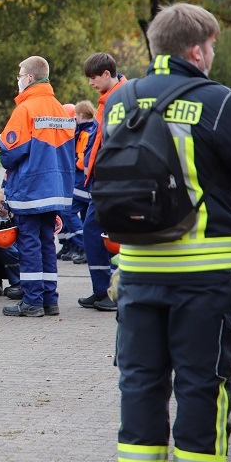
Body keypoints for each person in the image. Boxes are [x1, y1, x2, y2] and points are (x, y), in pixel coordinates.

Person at [107, 3, 231, 462]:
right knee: (203, 385)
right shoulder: (216, 99)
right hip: (204, 272)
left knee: (139, 382)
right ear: (197, 51)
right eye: (214, 46)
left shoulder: (121, 101)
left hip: (138, 271)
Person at [0, 55, 75, 317]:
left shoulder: (26, 109)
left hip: (31, 188)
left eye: (20, 74)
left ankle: (32, 301)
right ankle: (49, 299)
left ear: (29, 77)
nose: (18, 79)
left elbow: (9, 153)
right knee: (46, 244)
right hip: (57, 189)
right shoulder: (60, 109)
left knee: (29, 244)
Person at [77, 53, 126, 311]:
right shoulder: (106, 101)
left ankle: (114, 290)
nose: (91, 83)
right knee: (94, 233)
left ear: (107, 74)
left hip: (113, 180)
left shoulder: (122, 99)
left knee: (103, 233)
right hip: (102, 179)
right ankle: (102, 290)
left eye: (93, 78)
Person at [56, 100, 96, 262]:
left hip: (81, 181)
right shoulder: (84, 130)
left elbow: (82, 160)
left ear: (79, 116)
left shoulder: (85, 133)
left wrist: (68, 162)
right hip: (82, 181)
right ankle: (76, 245)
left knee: (69, 211)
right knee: (82, 215)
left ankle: (83, 245)